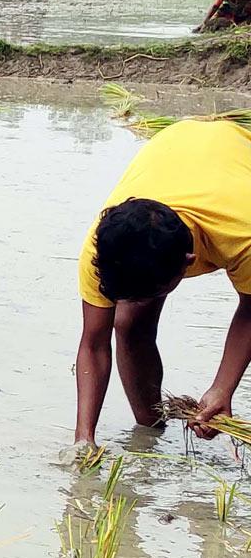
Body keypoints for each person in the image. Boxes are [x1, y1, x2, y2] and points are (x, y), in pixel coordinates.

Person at [72, 119, 251, 448]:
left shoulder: (243, 234)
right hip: (176, 143)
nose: (136, 301)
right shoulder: (105, 247)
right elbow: (94, 344)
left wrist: (222, 388)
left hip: (236, 155)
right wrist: (84, 439)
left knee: (132, 316)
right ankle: (150, 432)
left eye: (147, 294)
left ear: (188, 264)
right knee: (128, 323)